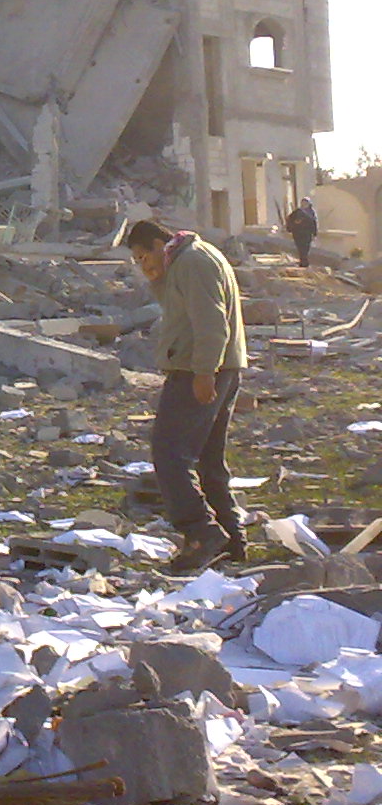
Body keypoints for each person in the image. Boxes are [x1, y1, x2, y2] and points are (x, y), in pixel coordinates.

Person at [125, 218, 248, 575]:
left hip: (199, 368)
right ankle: (233, 539)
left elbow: (211, 322)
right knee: (208, 458)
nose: (142, 265)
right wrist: (158, 279)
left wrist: (204, 372)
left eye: (141, 256)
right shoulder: (186, 260)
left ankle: (201, 533)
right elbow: (181, 310)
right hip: (216, 365)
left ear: (155, 244)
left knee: (169, 452)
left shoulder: (193, 261)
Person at [285, 198, 319, 269]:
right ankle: (302, 261)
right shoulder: (297, 212)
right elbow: (289, 219)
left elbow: (314, 223)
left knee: (306, 247)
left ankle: (304, 261)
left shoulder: (311, 212)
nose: (304, 204)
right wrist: (292, 226)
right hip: (298, 233)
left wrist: (314, 233)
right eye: (303, 203)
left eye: (305, 203)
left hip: (307, 233)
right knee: (300, 247)